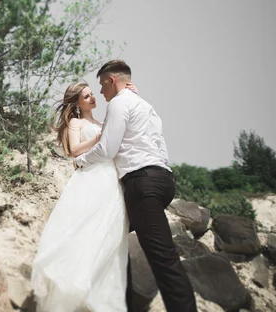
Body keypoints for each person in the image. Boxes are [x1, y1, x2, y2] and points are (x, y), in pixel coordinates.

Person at [74, 60, 197, 312]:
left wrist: (80, 161)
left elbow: (108, 149)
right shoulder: (144, 104)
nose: (100, 93)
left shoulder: (119, 103)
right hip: (162, 181)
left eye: (101, 85)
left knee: (164, 260)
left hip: (142, 185)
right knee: (112, 243)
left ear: (111, 81)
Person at [30, 81, 136, 312]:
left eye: (91, 94)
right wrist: (98, 138)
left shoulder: (101, 121)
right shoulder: (75, 122)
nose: (92, 98)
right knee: (84, 230)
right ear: (77, 103)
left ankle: (101, 296)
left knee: (110, 236)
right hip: (90, 179)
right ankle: (74, 289)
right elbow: (73, 150)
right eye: (86, 96)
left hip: (111, 181)